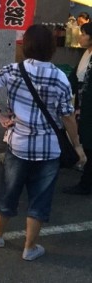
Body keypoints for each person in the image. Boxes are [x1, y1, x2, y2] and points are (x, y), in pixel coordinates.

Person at [0, 25, 86, 261]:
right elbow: (67, 116)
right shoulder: (60, 77)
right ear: (51, 48)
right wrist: (77, 146)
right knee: (41, 198)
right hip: (48, 149)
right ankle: (30, 247)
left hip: (18, 143)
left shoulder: (13, 70)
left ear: (25, 45)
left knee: (10, 190)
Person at [64, 22, 92, 196]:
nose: (80, 37)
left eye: (83, 34)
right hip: (83, 105)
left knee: (89, 144)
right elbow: (74, 79)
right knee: (87, 143)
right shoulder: (85, 54)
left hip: (89, 106)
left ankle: (85, 185)